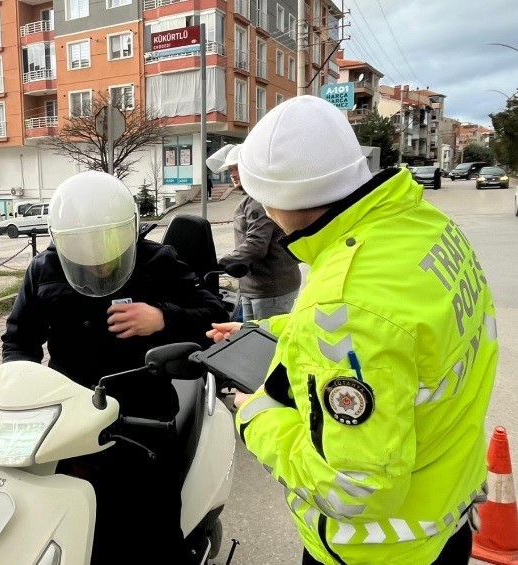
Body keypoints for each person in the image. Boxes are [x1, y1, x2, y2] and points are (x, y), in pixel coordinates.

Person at [208, 96, 498, 565]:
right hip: (447, 513)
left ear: (272, 199)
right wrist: (276, 330)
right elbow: (402, 334)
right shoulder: (423, 226)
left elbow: (352, 490)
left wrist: (254, 413)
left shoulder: (347, 301)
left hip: (380, 551)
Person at [2, 170, 228, 564]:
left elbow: (215, 314)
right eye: (83, 248)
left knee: (153, 532)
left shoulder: (158, 261)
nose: (100, 264)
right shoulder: (44, 269)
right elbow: (19, 340)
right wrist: (20, 393)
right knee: (65, 526)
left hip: (143, 417)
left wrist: (163, 318)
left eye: (107, 248)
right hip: (70, 417)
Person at [213, 144, 301, 323]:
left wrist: (222, 263)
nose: (232, 174)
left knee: (265, 345)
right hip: (256, 286)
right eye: (230, 169)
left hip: (270, 290)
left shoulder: (257, 201)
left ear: (250, 169)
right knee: (250, 340)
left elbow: (256, 245)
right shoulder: (253, 198)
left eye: (236, 168)